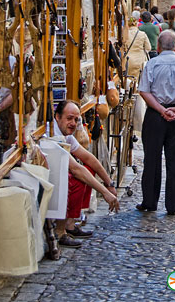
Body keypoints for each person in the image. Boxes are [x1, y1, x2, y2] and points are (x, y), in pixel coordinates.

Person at [137, 30, 175, 215]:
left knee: (151, 159)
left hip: (156, 116)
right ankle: (173, 205)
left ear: (158, 46)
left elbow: (144, 91)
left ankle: (149, 201)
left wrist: (161, 109)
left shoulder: (152, 64)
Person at [53, 101, 120, 247]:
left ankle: (70, 225)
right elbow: (77, 169)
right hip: (50, 179)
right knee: (75, 177)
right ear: (57, 117)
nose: (73, 123)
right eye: (69, 118)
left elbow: (89, 159)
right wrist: (105, 192)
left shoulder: (67, 135)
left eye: (76, 120)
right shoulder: (53, 134)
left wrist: (109, 184)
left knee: (89, 169)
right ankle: (60, 232)